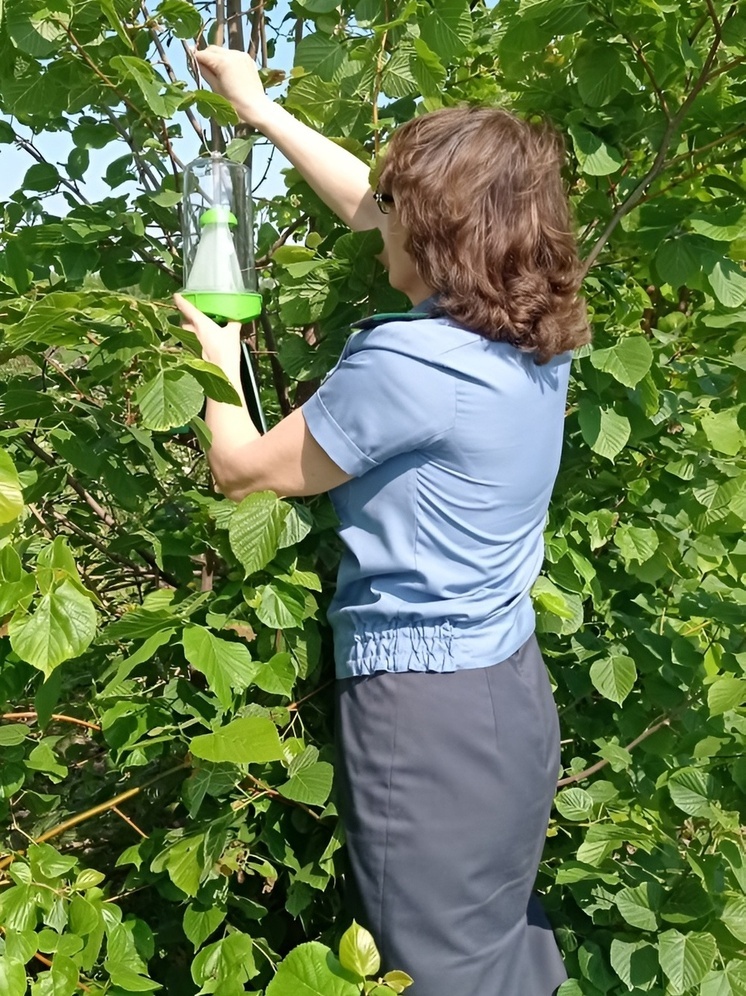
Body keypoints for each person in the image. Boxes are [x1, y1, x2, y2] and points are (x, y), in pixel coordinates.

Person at [173, 46, 590, 996]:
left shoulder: (412, 367)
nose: (377, 220)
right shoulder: (532, 330)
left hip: (428, 715)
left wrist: (214, 353)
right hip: (507, 691)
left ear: (440, 235)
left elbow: (241, 473)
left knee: (439, 970)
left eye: (400, 210)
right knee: (500, 944)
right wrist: (260, 110)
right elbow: (370, 201)